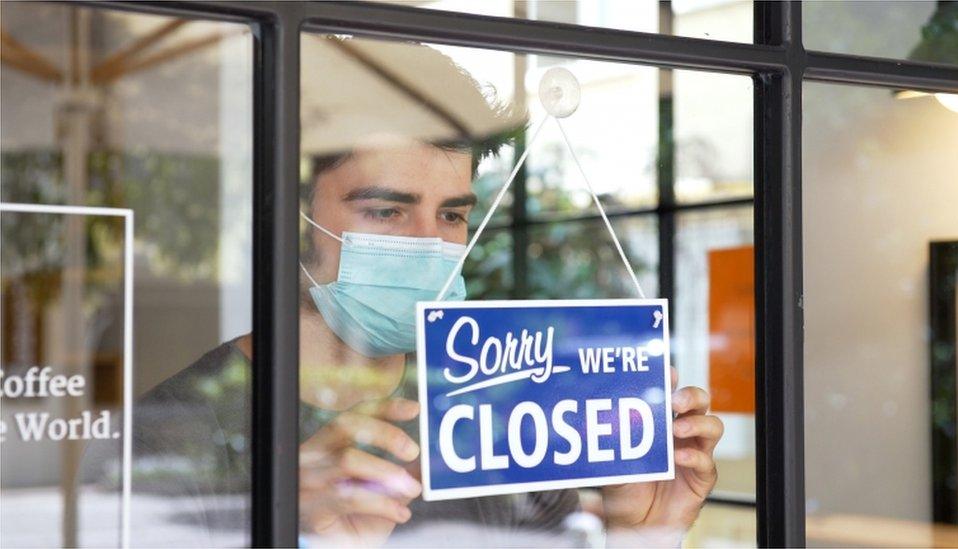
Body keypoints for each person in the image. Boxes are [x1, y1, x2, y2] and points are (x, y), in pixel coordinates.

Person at [90, 36, 723, 547]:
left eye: (451, 215)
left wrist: (641, 536)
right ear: (287, 217)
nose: (432, 245)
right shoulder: (166, 436)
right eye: (387, 212)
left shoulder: (490, 407)